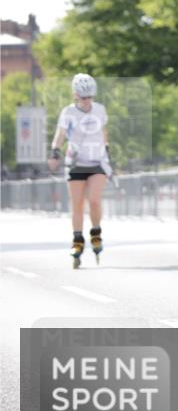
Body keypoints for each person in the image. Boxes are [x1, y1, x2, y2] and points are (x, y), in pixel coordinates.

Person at [47, 74, 111, 268]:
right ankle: (77, 241)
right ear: (76, 95)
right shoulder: (68, 112)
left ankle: (96, 232)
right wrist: (55, 151)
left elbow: (104, 131)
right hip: (75, 162)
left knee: (94, 199)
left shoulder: (100, 110)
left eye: (90, 97)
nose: (87, 101)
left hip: (97, 160)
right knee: (77, 204)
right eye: (83, 97)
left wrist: (107, 150)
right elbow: (60, 134)